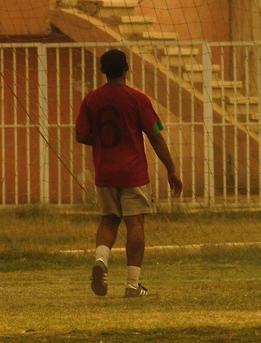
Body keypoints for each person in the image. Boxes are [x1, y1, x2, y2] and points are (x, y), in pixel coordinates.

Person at [76, 49, 183, 298]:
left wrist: (102, 141)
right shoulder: (138, 98)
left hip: (104, 172)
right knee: (135, 223)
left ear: (102, 70)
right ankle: (132, 284)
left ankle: (101, 261)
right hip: (133, 173)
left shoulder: (90, 99)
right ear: (126, 69)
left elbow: (80, 135)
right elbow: (155, 136)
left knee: (108, 220)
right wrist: (171, 170)